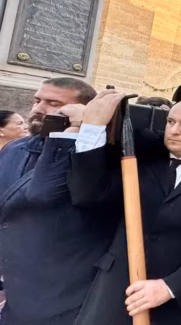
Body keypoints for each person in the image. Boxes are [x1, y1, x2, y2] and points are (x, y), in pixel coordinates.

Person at [68, 95, 181, 325]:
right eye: (170, 122)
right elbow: (87, 195)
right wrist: (91, 130)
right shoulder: (140, 159)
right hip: (116, 288)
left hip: (176, 299)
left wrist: (170, 287)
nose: (174, 130)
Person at [0, 78, 107, 325]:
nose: (39, 108)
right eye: (38, 100)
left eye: (53, 103)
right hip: (15, 288)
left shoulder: (92, 158)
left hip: (60, 293)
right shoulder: (15, 149)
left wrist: (78, 128)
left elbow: (44, 193)